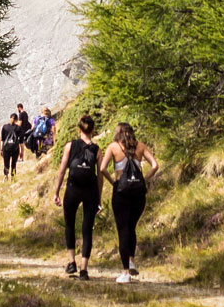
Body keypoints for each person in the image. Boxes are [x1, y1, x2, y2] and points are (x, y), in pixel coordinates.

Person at [100, 121, 158, 281]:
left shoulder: (113, 147)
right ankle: (131, 261)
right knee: (131, 227)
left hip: (121, 192)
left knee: (123, 230)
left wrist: (113, 182)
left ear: (118, 133)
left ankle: (125, 272)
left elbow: (102, 168)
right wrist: (144, 180)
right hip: (139, 193)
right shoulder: (140, 146)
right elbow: (155, 165)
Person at [53, 113, 103, 279]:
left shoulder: (70, 146)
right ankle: (84, 269)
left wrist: (56, 191)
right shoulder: (97, 150)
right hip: (90, 191)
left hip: (73, 189)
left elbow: (62, 171)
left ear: (79, 128)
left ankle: (71, 262)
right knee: (87, 228)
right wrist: (99, 198)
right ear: (93, 130)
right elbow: (100, 175)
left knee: (70, 224)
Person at [0, 111, 22, 178]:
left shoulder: (5, 127)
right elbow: (21, 141)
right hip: (15, 148)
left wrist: (1, 149)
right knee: (13, 164)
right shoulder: (18, 128)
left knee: (6, 163)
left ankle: (6, 176)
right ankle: (13, 177)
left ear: (10, 118)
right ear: (16, 120)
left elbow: (2, 139)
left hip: (6, 148)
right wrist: (22, 151)